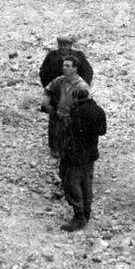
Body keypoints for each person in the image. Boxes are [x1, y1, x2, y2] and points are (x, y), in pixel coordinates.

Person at [61, 86, 106, 231]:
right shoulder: (98, 110)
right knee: (87, 183)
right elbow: (102, 131)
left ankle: (78, 217)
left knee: (72, 184)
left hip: (75, 155)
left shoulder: (78, 112)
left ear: (75, 98)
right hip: (90, 154)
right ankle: (87, 213)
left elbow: (72, 133)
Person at [43, 56, 89, 193]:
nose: (65, 68)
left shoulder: (81, 86)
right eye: (64, 65)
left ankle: (72, 185)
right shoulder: (59, 81)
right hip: (59, 121)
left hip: (73, 124)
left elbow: (87, 106)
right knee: (62, 154)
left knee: (70, 156)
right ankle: (64, 182)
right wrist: (47, 104)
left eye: (68, 66)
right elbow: (47, 90)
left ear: (75, 68)